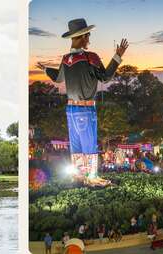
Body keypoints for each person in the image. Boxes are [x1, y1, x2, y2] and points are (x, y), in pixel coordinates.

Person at [37, 18, 128, 184]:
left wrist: (45, 69)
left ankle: (79, 175)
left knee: (77, 146)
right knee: (89, 145)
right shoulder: (90, 58)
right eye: (88, 36)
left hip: (70, 110)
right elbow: (105, 77)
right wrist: (117, 56)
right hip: (85, 110)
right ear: (82, 36)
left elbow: (57, 78)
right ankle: (92, 178)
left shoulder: (66, 59)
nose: (89, 40)